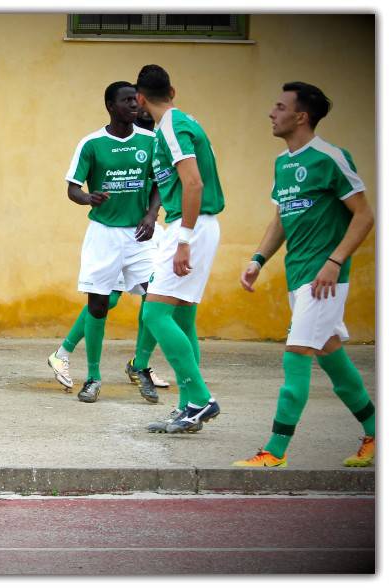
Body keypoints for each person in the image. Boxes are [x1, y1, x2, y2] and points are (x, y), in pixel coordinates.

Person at [233, 82, 375, 468]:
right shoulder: (283, 163)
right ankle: (376, 430)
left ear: (301, 116)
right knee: (330, 355)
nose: (271, 113)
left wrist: (334, 262)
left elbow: (365, 215)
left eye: (280, 107)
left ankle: (275, 451)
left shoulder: (330, 158)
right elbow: (281, 217)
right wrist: (258, 259)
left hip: (324, 279)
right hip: (299, 276)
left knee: (296, 355)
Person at [48, 81, 162, 404]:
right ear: (111, 106)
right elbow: (72, 188)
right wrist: (87, 197)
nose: (135, 106)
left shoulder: (150, 141)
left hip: (139, 235)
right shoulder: (92, 144)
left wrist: (152, 215)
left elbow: (158, 184)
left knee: (155, 301)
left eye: (136, 100)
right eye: (127, 101)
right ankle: (94, 377)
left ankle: (140, 366)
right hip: (103, 235)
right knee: (98, 305)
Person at [135, 64, 225, 434]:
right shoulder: (178, 123)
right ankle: (190, 407)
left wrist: (183, 240)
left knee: (155, 316)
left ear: (140, 98)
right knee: (183, 319)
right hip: (196, 225)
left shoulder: (172, 126)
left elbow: (194, 184)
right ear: (172, 90)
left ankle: (201, 399)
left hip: (191, 225)